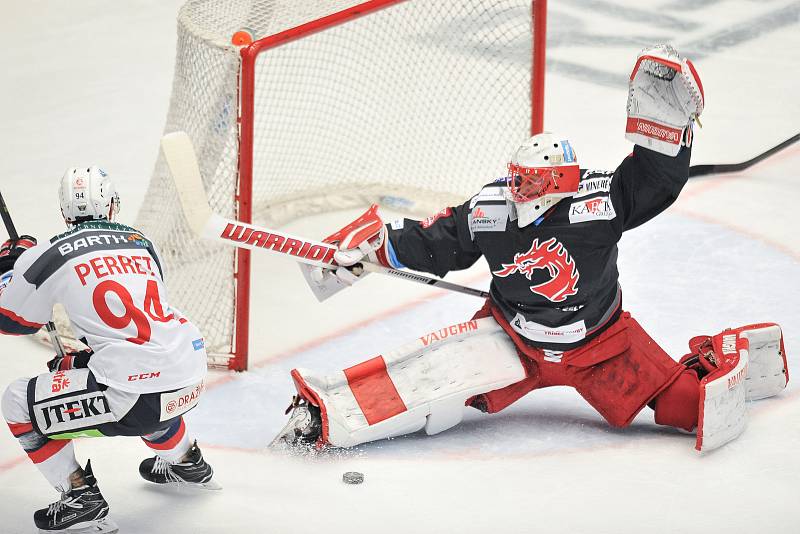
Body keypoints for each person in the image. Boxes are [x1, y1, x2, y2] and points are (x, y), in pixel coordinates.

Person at [271, 45, 788, 453]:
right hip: (511, 337)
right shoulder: (492, 208)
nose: (517, 190)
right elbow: (440, 239)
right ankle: (324, 413)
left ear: (562, 183)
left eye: (532, 182)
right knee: (430, 382)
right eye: (517, 178)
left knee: (685, 409)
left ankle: (719, 355)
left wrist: (666, 130)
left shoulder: (600, 202)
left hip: (602, 346)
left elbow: (654, 181)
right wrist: (376, 249)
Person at [0, 167, 217, 534]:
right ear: (113, 205)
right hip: (190, 376)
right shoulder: (142, 242)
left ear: (65, 213)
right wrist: (82, 362)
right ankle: (186, 460)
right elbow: (135, 328)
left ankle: (80, 498)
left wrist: (9, 266)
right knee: (144, 380)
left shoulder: (51, 252)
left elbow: (12, 321)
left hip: (139, 397)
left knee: (17, 401)